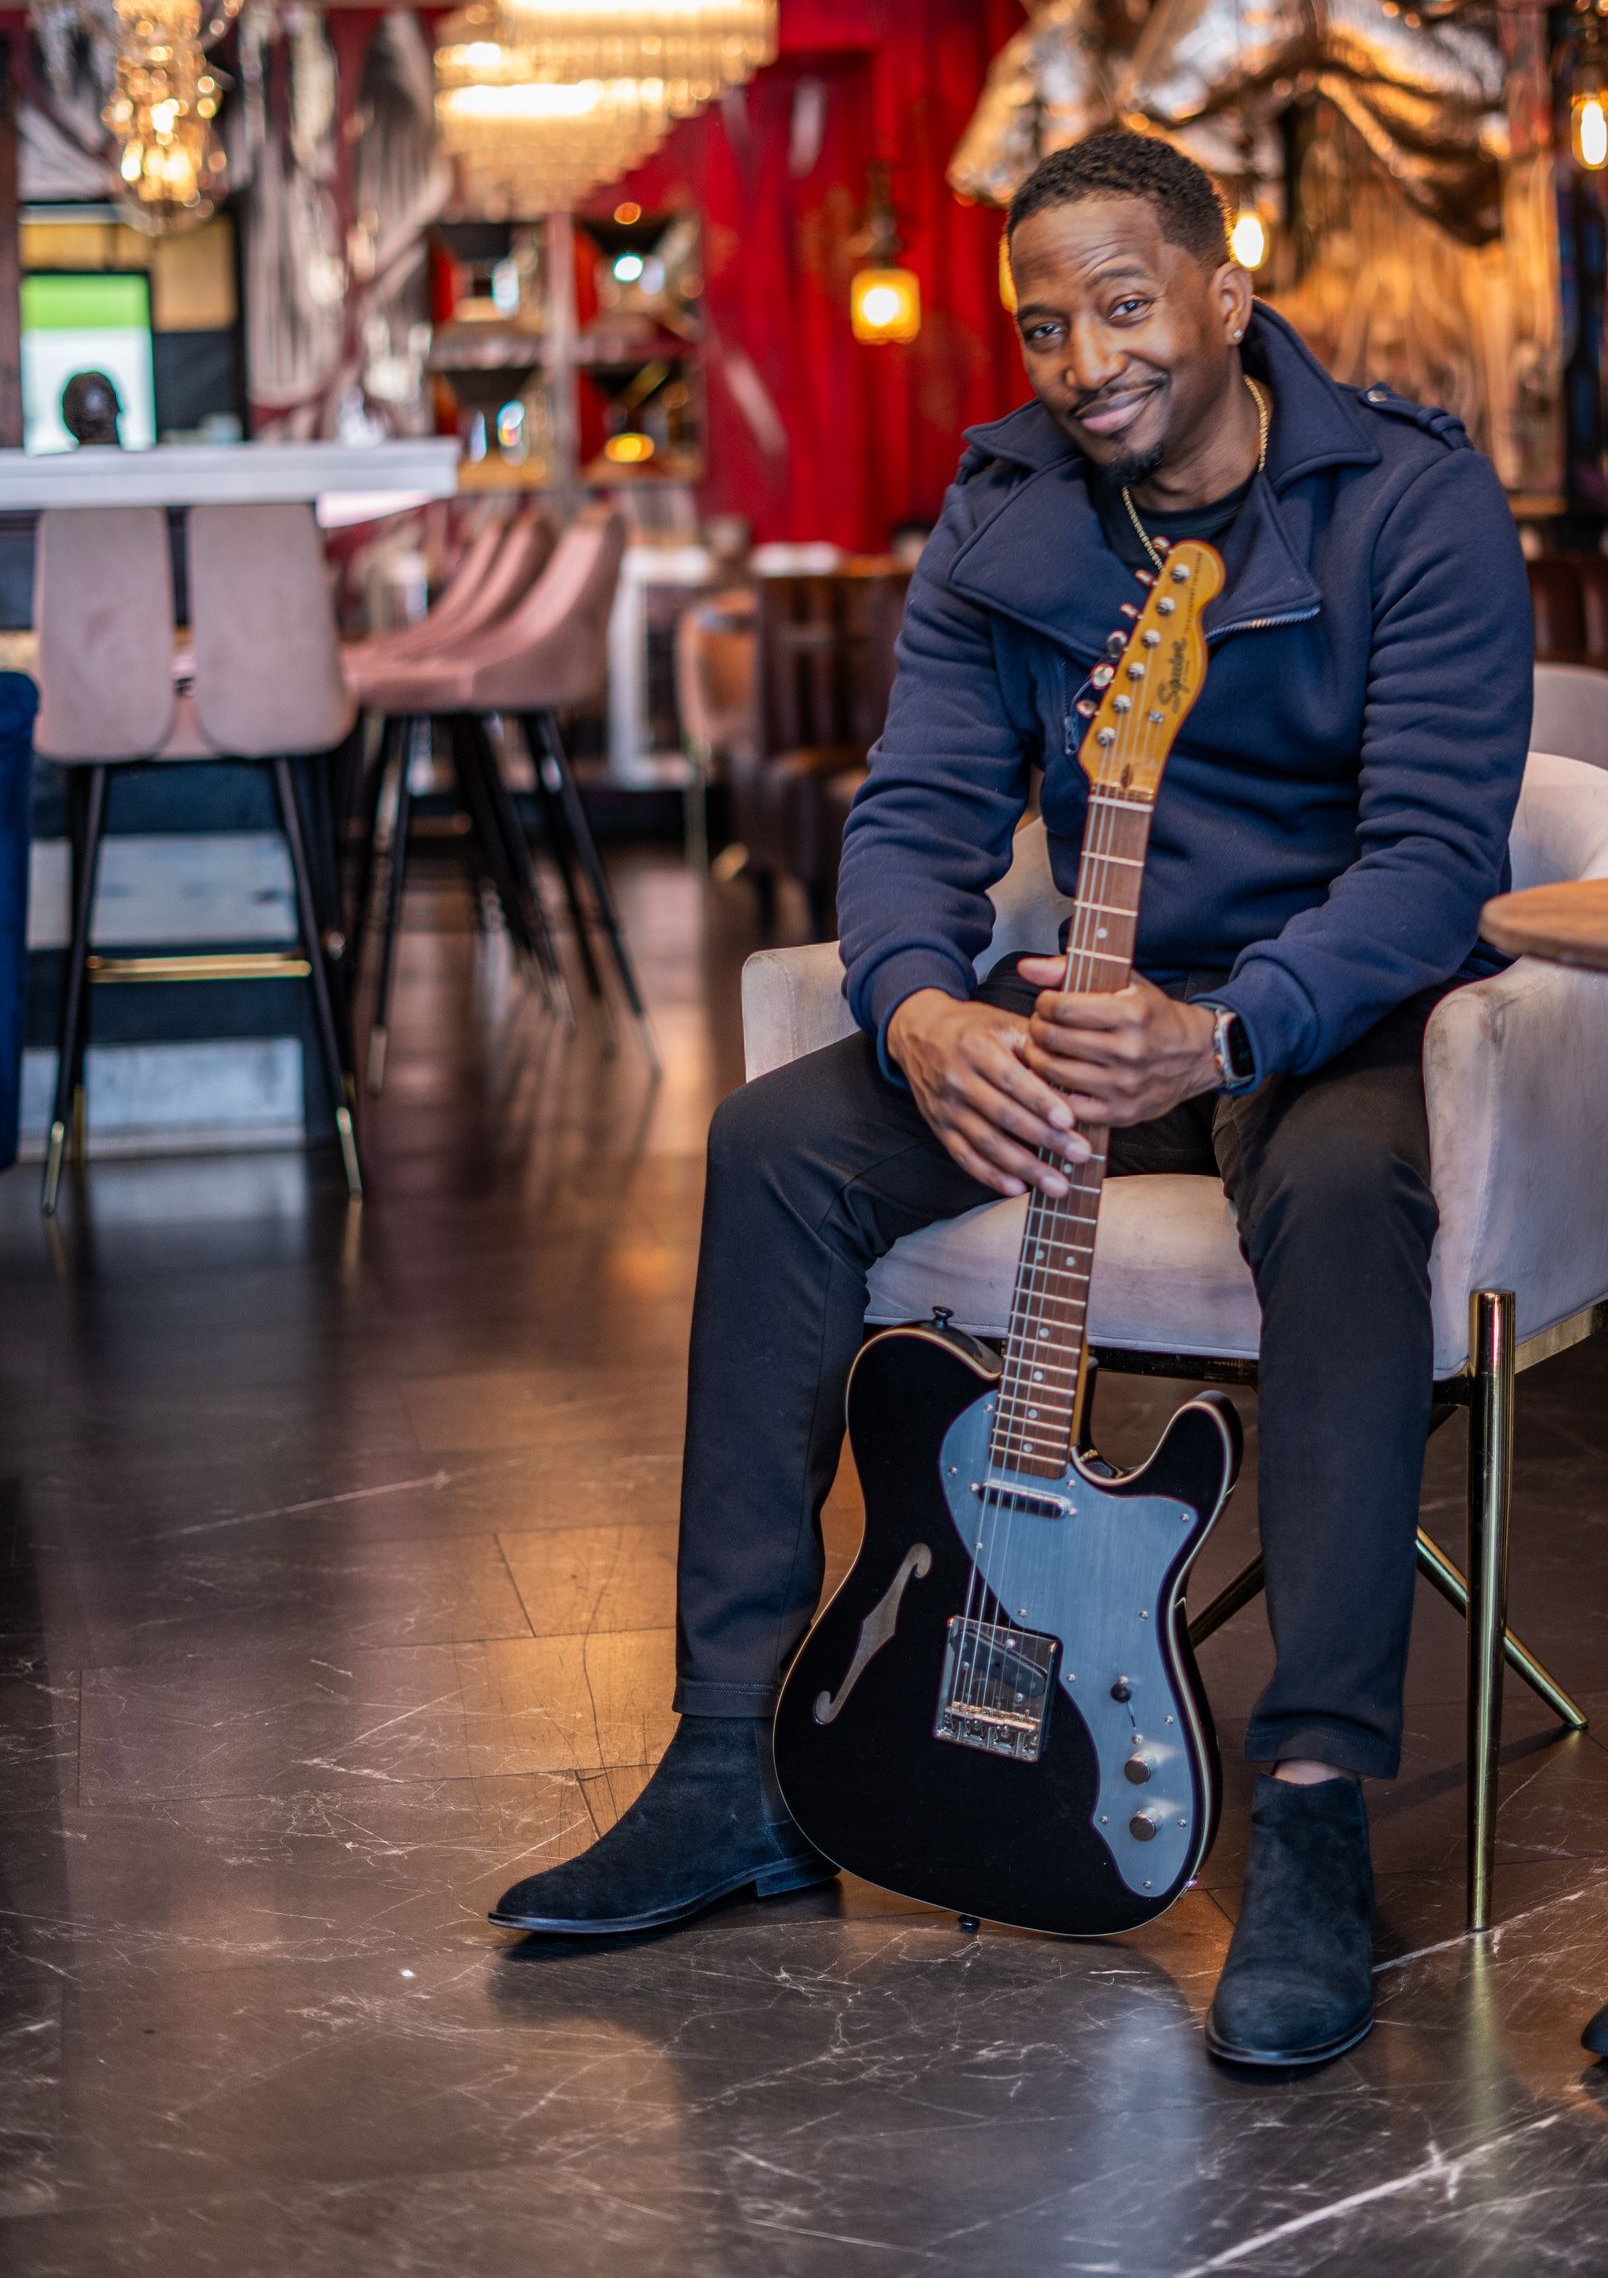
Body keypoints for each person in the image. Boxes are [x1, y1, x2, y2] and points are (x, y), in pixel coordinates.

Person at [493, 131, 1533, 2070]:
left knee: (1345, 1191)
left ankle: (1310, 1807)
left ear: (1229, 297)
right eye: (1043, 321)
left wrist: (1230, 1033)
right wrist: (918, 1021)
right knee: (775, 1143)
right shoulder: (1007, 514)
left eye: (1123, 305)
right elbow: (915, 818)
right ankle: (734, 1759)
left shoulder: (1415, 499)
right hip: (1082, 1002)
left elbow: (1436, 858)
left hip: (1309, 1018)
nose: (1082, 357)